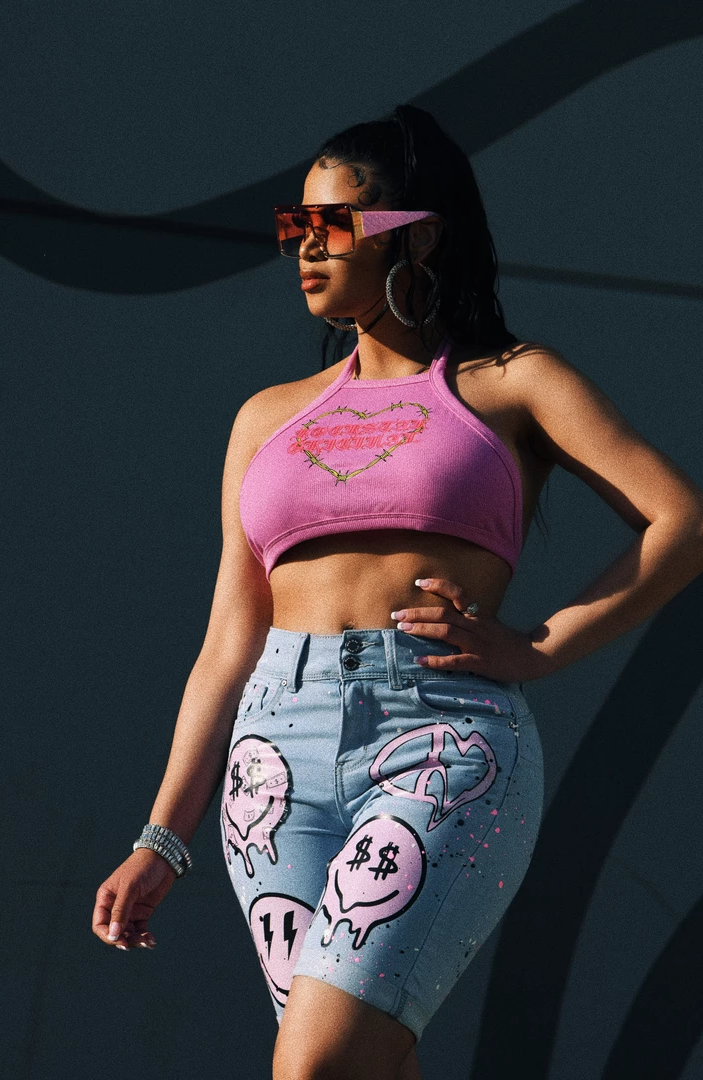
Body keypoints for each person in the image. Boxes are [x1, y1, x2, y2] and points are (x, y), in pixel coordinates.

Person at [92, 105, 703, 1080]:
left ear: (415, 235)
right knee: (363, 1066)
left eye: (331, 224)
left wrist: (542, 645)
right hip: (273, 771)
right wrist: (161, 838)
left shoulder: (512, 383)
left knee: (315, 1065)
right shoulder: (266, 418)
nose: (304, 247)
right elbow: (227, 644)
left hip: (442, 742)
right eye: (294, 224)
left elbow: (681, 520)